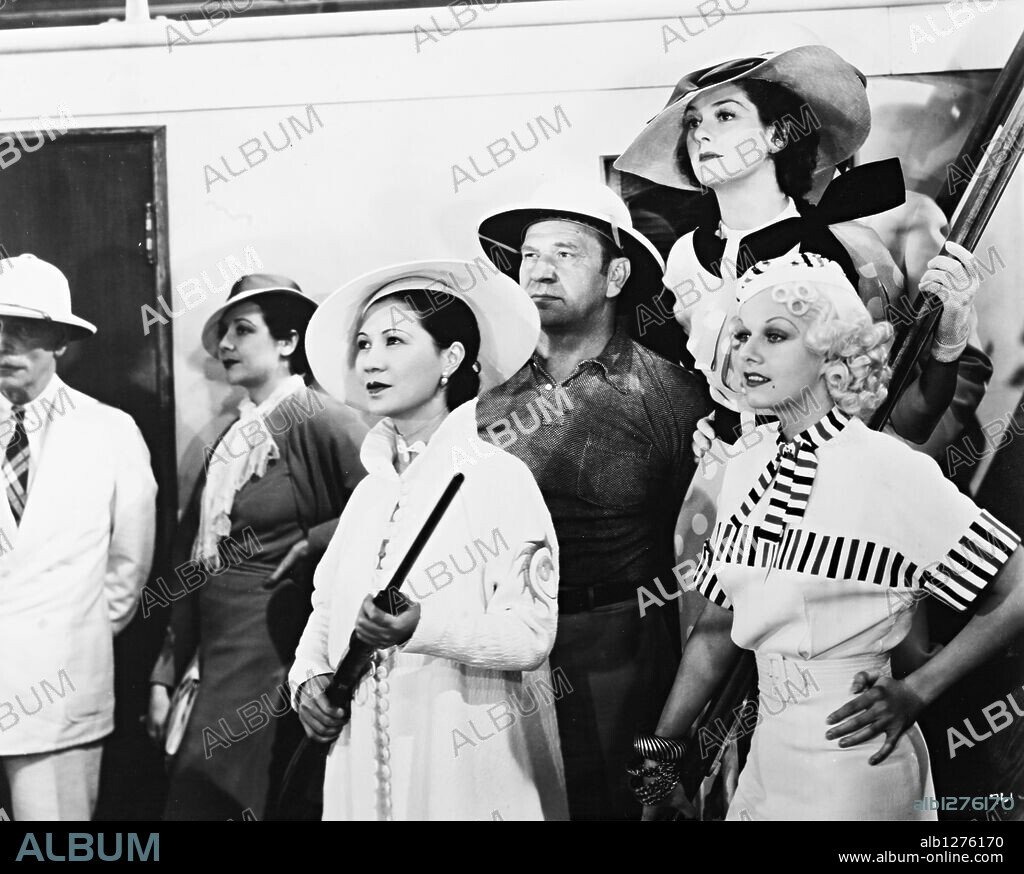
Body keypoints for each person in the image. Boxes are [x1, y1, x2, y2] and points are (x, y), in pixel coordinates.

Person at [636, 253, 1024, 821]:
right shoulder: (743, 465)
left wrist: (918, 691)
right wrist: (662, 751)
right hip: (764, 768)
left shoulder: (887, 468)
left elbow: (1015, 590)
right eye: (742, 335)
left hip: (855, 769)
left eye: (775, 335)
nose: (747, 352)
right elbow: (718, 625)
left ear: (831, 359)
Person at [289, 259, 568, 821]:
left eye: (394, 340)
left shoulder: (496, 477)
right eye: (364, 344)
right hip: (360, 762)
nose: (371, 359)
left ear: (451, 358)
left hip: (463, 756)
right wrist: (308, 679)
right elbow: (325, 608)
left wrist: (422, 627)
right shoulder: (370, 493)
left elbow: (531, 633)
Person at [475, 182, 711, 820]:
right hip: (494, 649)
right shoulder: (481, 392)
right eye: (529, 255)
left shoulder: (670, 395)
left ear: (617, 276)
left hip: (618, 648)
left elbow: (699, 546)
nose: (540, 271)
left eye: (566, 254)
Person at [614, 45, 982, 445]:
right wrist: (707, 428)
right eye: (692, 122)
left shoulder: (849, 250)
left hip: (819, 475)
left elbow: (906, 416)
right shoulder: (685, 256)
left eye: (725, 115)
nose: (701, 133)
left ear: (778, 134)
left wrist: (949, 338)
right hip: (719, 482)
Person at [146, 274, 366, 821]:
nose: (224, 346)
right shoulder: (231, 437)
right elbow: (191, 562)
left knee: (242, 796)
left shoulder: (322, 418)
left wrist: (315, 542)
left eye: (242, 330)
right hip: (216, 652)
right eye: (223, 333)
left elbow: (389, 507)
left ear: (288, 342)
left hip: (275, 648)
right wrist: (166, 671)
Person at [0, 254, 157, 821]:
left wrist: (74, 633)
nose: (4, 342)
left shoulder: (108, 431)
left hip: (60, 690)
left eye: (22, 327)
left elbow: (128, 566)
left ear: (60, 341)